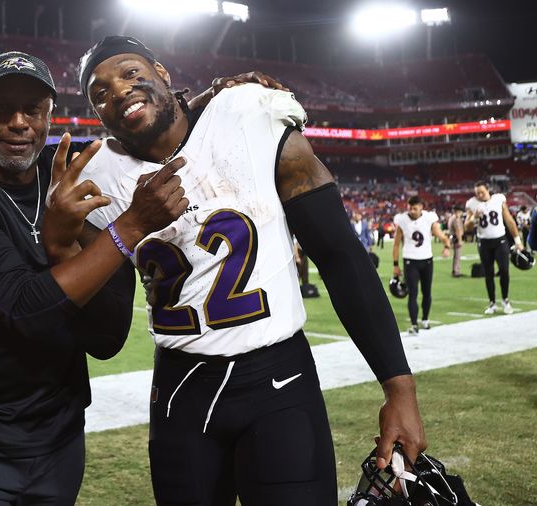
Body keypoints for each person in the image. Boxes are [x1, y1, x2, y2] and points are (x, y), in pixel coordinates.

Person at [58, 36, 425, 505]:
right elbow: (106, 335)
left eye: (131, 73)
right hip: (179, 391)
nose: (120, 90)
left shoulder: (247, 112)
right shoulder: (97, 177)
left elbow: (338, 256)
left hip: (278, 381)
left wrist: (399, 388)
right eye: (100, 92)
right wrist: (64, 239)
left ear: (163, 73)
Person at [0, 50, 273, 505]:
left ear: (50, 115)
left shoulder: (71, 171)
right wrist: (129, 227)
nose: (19, 122)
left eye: (33, 109)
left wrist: (216, 98)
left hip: (60, 431)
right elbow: (20, 309)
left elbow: (143, 130)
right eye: (2, 109)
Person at [392, 196, 451, 335]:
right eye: (410, 208)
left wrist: (447, 245)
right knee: (412, 293)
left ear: (421, 208)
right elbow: (396, 244)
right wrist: (395, 265)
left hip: (426, 260)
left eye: (415, 208)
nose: (412, 211)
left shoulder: (429, 218)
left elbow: (440, 234)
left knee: (427, 292)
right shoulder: (402, 220)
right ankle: (414, 324)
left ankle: (425, 319)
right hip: (410, 261)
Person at [464, 181, 524, 315]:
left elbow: (509, 220)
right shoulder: (472, 204)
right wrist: (474, 218)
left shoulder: (498, 199)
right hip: (484, 242)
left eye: (482, 192)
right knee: (488, 273)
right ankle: (492, 303)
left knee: (504, 270)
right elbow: (466, 227)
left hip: (500, 240)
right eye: (477, 193)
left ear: (488, 190)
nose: (479, 195)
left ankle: (505, 300)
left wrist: (517, 241)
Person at [447, 205, 465, 277]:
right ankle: (456, 271)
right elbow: (458, 230)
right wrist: (460, 240)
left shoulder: (452, 218)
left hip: (453, 238)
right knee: (457, 256)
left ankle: (456, 270)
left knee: (456, 256)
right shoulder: (456, 219)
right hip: (456, 239)